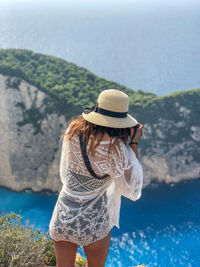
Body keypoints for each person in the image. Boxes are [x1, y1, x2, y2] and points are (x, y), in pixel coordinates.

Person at [49, 89, 144, 267]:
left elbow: (66, 171)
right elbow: (132, 186)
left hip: (63, 216)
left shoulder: (73, 130)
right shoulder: (116, 149)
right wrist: (133, 143)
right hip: (93, 224)